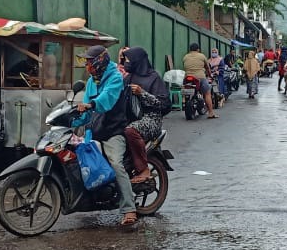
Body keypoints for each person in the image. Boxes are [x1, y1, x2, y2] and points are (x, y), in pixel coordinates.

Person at [75, 45, 138, 226]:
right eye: (86, 62)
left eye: (90, 61)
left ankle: (129, 209)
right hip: (94, 130)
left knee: (116, 164)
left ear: (100, 61)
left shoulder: (115, 77)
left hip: (113, 131)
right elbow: (85, 110)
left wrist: (91, 105)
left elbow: (106, 99)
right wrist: (72, 119)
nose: (87, 65)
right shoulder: (90, 82)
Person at [121, 47, 171, 183]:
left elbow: (164, 104)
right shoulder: (128, 77)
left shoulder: (154, 78)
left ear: (137, 61)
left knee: (130, 130)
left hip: (151, 118)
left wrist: (142, 93)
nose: (126, 63)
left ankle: (143, 169)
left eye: (128, 60)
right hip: (132, 117)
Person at [182, 43, 216, 118]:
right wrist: (210, 75)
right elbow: (207, 68)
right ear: (198, 49)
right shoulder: (202, 56)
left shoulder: (185, 57)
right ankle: (211, 113)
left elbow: (185, 67)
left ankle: (184, 100)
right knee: (207, 93)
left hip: (188, 78)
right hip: (200, 77)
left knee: (184, 89)